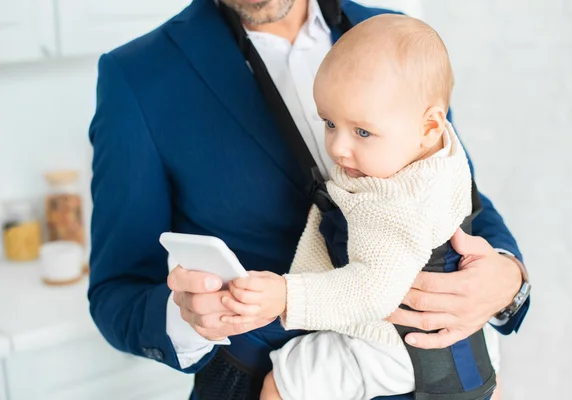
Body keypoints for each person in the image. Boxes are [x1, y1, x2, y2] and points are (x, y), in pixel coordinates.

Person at [88, 0, 530, 398]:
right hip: (268, 380)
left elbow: (452, 189)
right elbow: (116, 291)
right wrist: (187, 317)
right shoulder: (136, 77)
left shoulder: (393, 35)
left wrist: (507, 279)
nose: (339, 146)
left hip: (439, 373)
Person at [219, 14, 501, 400]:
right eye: (329, 124)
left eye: (362, 132)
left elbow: (372, 292)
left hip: (398, 344)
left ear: (430, 127)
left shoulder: (401, 203)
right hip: (458, 338)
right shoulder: (430, 152)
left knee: (284, 383)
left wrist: (288, 296)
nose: (337, 147)